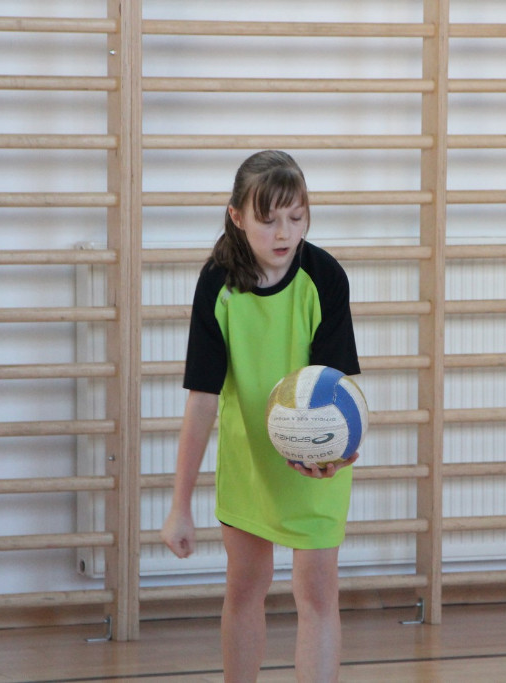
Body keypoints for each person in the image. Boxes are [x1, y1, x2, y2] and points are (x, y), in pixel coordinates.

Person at [160, 150, 361, 682]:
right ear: (237, 216)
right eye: (268, 219)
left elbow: (338, 389)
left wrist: (336, 456)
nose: (284, 232)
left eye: (296, 216)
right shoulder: (218, 284)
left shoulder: (325, 277)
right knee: (245, 587)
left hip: (315, 464)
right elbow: (202, 399)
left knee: (317, 593)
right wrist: (180, 505)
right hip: (249, 458)